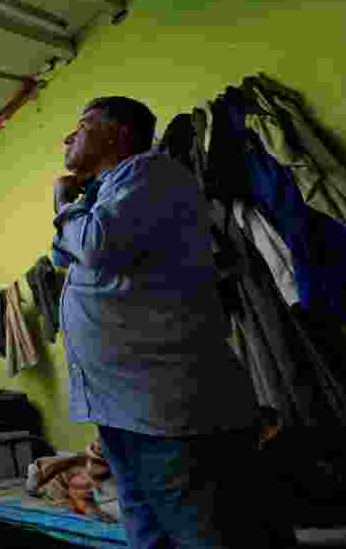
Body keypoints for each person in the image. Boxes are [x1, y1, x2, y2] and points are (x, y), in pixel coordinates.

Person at [52, 96, 284, 548]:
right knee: (150, 534)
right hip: (125, 412)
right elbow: (65, 252)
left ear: (118, 134)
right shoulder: (108, 193)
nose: (68, 137)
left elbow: (95, 245)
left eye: (81, 125)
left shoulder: (149, 172)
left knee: (205, 533)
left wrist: (63, 199)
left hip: (167, 413)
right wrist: (78, 204)